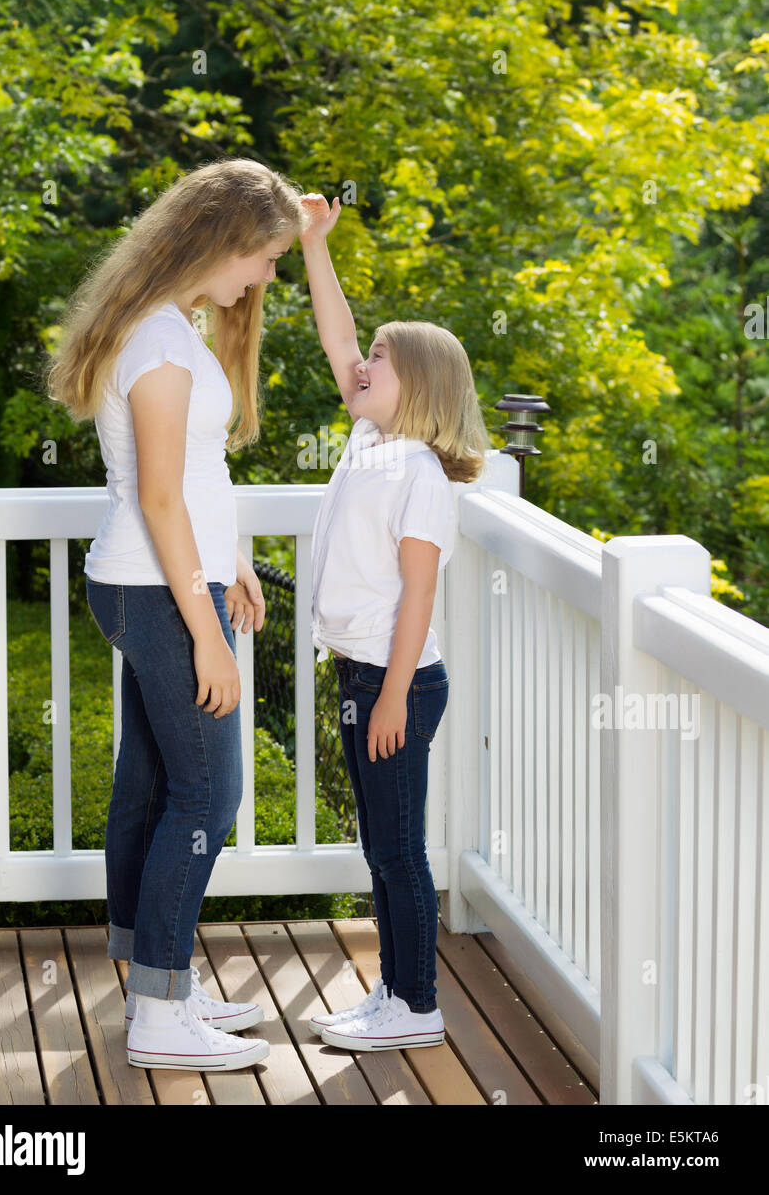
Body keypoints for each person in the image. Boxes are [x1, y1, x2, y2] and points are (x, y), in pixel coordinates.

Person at [45, 157, 308, 1071]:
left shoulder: (169, 328)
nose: (266, 275)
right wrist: (208, 634)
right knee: (206, 796)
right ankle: (158, 1017)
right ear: (224, 241)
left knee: (152, 788)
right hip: (159, 589)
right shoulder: (158, 345)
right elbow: (157, 498)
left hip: (170, 580)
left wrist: (232, 561)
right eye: (267, 256)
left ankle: (155, 978)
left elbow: (198, 475)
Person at [299, 192, 488, 1050]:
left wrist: (392, 700)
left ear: (419, 386)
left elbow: (419, 598)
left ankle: (415, 1006)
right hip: (365, 671)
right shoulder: (369, 442)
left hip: (397, 680)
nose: (360, 362)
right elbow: (335, 336)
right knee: (381, 844)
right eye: (365, 355)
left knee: (400, 850)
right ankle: (393, 991)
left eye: (379, 357)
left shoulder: (416, 472)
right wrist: (314, 244)